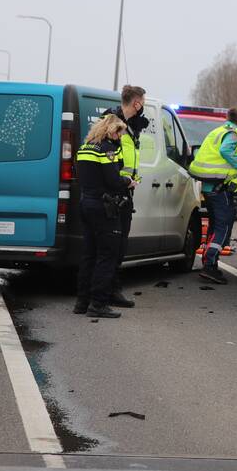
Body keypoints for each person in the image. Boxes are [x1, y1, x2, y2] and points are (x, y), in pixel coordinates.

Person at [73, 115, 138, 317]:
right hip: (104, 207)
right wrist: (128, 182)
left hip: (86, 203)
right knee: (107, 255)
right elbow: (113, 180)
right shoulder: (107, 149)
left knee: (89, 255)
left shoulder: (84, 148)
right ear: (112, 131)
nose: (121, 137)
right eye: (120, 132)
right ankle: (98, 304)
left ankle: (82, 302)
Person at [101, 85, 149, 308]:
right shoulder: (112, 122)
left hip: (125, 192)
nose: (144, 107)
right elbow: (107, 155)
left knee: (120, 246)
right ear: (136, 103)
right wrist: (120, 181)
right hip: (112, 192)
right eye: (143, 102)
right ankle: (108, 292)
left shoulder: (131, 127)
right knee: (112, 246)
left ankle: (111, 289)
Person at [189, 108, 237, 284]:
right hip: (221, 189)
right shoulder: (234, 134)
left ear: (226, 118)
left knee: (215, 225)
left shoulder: (217, 131)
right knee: (223, 226)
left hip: (210, 187)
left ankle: (211, 265)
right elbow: (226, 151)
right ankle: (209, 262)